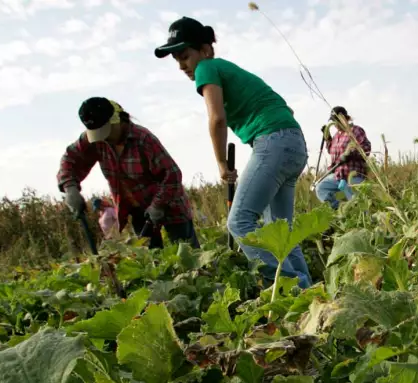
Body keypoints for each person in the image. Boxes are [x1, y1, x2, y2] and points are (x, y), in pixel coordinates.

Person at [155, 16, 312, 288]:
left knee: (239, 222)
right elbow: (284, 107)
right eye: (176, 60)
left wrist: (221, 165)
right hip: (293, 142)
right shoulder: (230, 69)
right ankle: (310, 293)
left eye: (185, 56)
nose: (182, 65)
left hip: (272, 141)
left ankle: (293, 288)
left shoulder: (207, 67)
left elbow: (216, 118)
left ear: (205, 50)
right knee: (281, 232)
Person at [57, 97, 199, 249]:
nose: (103, 138)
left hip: (170, 206)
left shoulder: (143, 139)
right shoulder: (95, 140)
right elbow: (70, 158)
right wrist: (70, 186)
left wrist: (158, 205)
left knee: (187, 256)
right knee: (151, 261)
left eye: (106, 132)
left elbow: (172, 175)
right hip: (138, 212)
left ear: (116, 120)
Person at [314, 106, 372, 209]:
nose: (335, 124)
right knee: (320, 188)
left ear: (345, 118)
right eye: (333, 121)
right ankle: (339, 209)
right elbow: (332, 151)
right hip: (338, 176)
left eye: (336, 120)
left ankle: (363, 217)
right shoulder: (337, 135)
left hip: (353, 175)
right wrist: (328, 138)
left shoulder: (355, 130)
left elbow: (366, 148)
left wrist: (350, 154)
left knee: (359, 205)